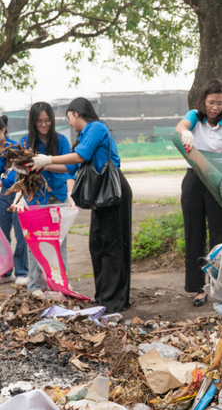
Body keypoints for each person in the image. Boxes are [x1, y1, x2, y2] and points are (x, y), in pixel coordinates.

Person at [32, 98, 132, 313]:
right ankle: (103, 295)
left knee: (112, 245)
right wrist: (42, 166)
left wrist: (48, 159)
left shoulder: (96, 127)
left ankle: (115, 301)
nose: (68, 122)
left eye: (68, 117)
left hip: (113, 190)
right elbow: (71, 167)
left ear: (76, 113)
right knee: (97, 244)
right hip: (101, 194)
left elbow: (81, 156)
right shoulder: (84, 135)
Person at [175, 78, 222, 308]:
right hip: (194, 179)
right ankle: (198, 288)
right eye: (211, 102)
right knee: (194, 233)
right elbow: (180, 127)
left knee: (221, 235)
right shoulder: (194, 116)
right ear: (203, 101)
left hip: (218, 181)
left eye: (220, 103)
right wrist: (186, 132)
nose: (215, 107)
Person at [9, 103, 73, 293]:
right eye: (39, 121)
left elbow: (69, 167)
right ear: (33, 122)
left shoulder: (61, 141)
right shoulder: (25, 141)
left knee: (58, 241)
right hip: (35, 198)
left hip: (58, 195)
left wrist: (46, 163)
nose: (44, 125)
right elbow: (19, 172)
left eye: (47, 121)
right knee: (34, 242)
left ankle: (60, 283)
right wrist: (19, 195)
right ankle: (36, 285)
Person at [0, 114, 28, 285]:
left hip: (17, 194)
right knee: (3, 234)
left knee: (20, 234)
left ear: (3, 130)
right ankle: (6, 270)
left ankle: (22, 272)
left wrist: (2, 181)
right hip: (1, 196)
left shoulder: (14, 148)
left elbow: (17, 173)